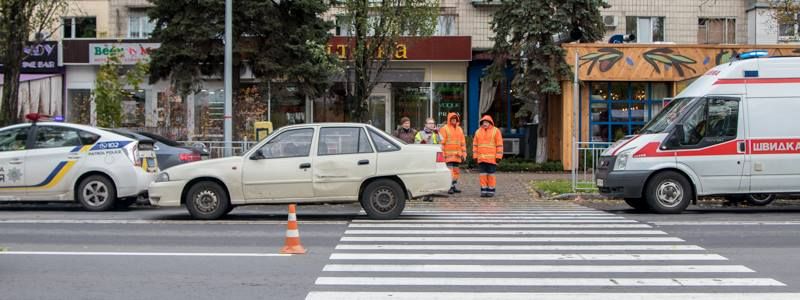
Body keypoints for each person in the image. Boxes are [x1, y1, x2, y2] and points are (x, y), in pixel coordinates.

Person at [473, 115, 503, 197]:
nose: (485, 124)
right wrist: (475, 156)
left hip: (492, 159)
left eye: (486, 122)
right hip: (481, 159)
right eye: (483, 122)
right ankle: (483, 190)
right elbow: (475, 145)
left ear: (490, 123)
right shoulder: (478, 132)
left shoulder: (496, 131)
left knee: (491, 175)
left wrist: (498, 157)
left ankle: (491, 190)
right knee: (482, 175)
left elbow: (499, 145)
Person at [439, 112, 466, 194]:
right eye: (452, 119)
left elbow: (463, 143)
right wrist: (442, 154)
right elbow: (442, 143)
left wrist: (464, 154)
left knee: (456, 171)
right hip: (448, 155)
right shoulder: (444, 128)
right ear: (449, 120)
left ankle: (453, 186)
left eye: (455, 119)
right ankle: (449, 187)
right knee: (450, 172)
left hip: (457, 155)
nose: (454, 120)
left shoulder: (460, 129)